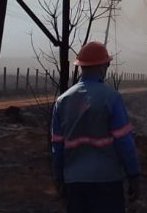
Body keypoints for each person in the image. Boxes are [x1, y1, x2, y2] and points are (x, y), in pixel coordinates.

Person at [51, 41, 141, 212]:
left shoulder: (62, 101)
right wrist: (133, 175)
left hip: (74, 183)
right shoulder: (111, 98)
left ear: (81, 67)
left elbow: (57, 146)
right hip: (107, 182)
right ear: (102, 66)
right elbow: (124, 142)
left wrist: (58, 178)